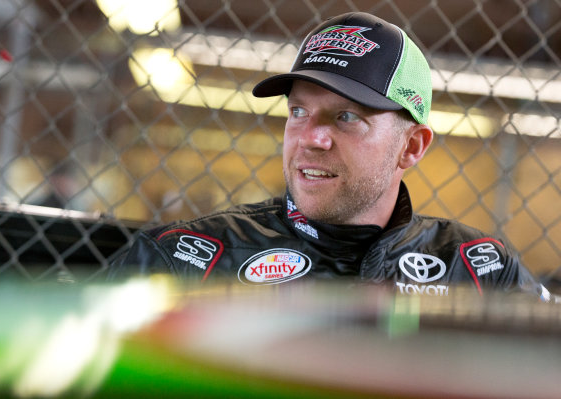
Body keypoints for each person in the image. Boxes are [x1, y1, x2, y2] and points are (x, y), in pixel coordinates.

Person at [108, 12, 550, 301]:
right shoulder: (183, 261)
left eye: (346, 116)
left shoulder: (477, 270)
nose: (312, 137)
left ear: (411, 147)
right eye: (298, 111)